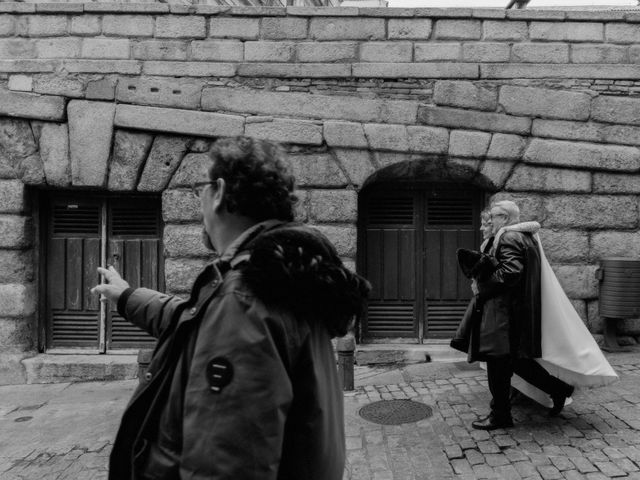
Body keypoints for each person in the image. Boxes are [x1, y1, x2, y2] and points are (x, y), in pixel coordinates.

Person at [91, 136, 370, 480]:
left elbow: (226, 464)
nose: (200, 202)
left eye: (200, 190)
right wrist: (128, 296)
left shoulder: (244, 297)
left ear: (219, 191)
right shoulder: (282, 277)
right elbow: (192, 320)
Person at [470, 200, 576, 430]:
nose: (490, 220)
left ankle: (500, 416)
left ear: (505, 218)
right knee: (516, 363)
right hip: (515, 311)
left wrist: (482, 283)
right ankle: (560, 389)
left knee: (497, 363)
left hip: (504, 314)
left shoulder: (508, 237)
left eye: (494, 216)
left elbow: (511, 272)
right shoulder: (524, 236)